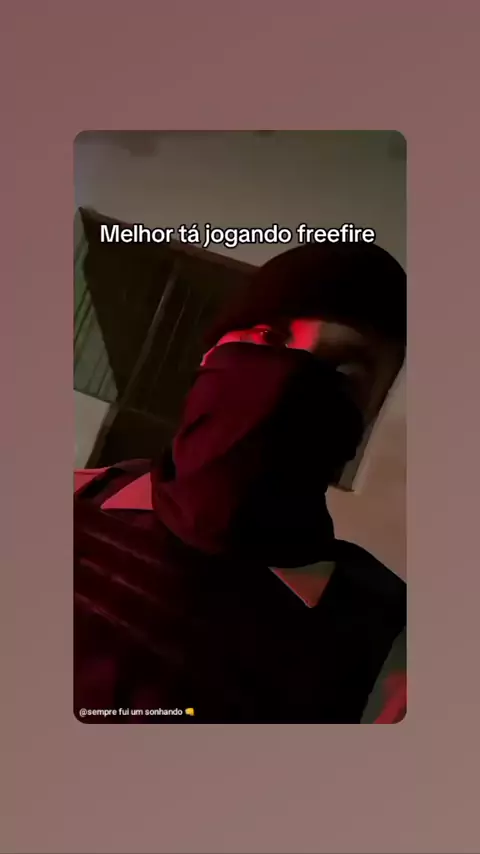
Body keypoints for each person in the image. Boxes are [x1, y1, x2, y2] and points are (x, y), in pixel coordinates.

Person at [74, 242, 406, 724]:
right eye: (268, 337)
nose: (289, 377)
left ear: (367, 418)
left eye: (343, 370)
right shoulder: (70, 501)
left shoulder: (392, 644)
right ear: (210, 354)